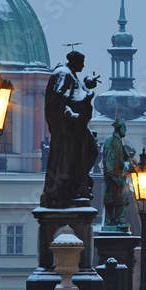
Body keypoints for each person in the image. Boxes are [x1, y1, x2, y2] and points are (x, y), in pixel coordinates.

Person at [40, 51, 100, 208]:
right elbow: (56, 101)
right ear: (75, 61)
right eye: (82, 62)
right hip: (68, 130)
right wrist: (69, 115)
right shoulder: (63, 74)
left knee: (91, 152)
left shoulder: (71, 75)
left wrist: (87, 86)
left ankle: (77, 184)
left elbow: (79, 97)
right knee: (69, 158)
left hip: (77, 127)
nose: (84, 66)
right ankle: (64, 189)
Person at [101, 117, 133, 230]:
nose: (126, 130)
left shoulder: (118, 142)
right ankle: (116, 221)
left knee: (120, 198)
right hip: (115, 177)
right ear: (119, 128)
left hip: (118, 176)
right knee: (118, 198)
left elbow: (125, 158)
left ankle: (116, 220)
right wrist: (113, 176)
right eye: (124, 127)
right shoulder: (112, 141)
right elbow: (108, 160)